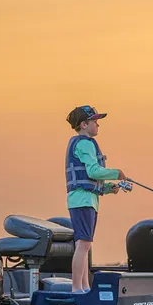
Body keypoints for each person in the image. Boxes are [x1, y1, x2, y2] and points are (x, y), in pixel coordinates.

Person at [65, 105, 126, 293]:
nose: (98, 125)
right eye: (95, 121)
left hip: (84, 198)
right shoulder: (85, 143)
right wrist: (117, 173)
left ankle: (84, 287)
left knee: (84, 244)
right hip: (83, 200)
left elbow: (89, 178)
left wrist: (108, 188)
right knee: (83, 245)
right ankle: (77, 288)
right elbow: (93, 171)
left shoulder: (81, 143)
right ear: (84, 124)